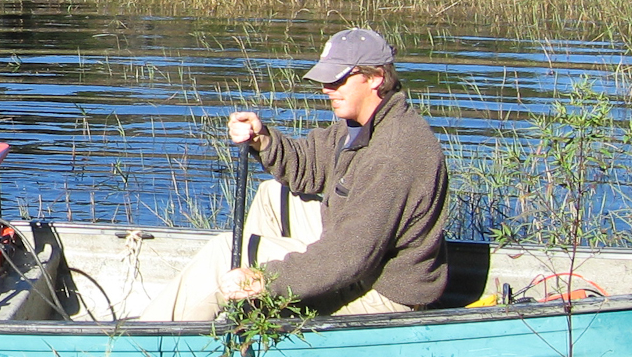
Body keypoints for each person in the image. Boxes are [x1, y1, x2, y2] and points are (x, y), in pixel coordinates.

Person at [165, 27, 448, 321]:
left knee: (224, 252)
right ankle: (257, 315)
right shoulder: (365, 123)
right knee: (272, 194)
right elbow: (309, 165)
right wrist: (263, 140)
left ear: (375, 77)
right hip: (361, 263)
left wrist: (266, 278)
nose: (327, 89)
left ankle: (142, 345)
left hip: (382, 294)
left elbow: (348, 258)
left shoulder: (392, 154)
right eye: (326, 79)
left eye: (338, 80)